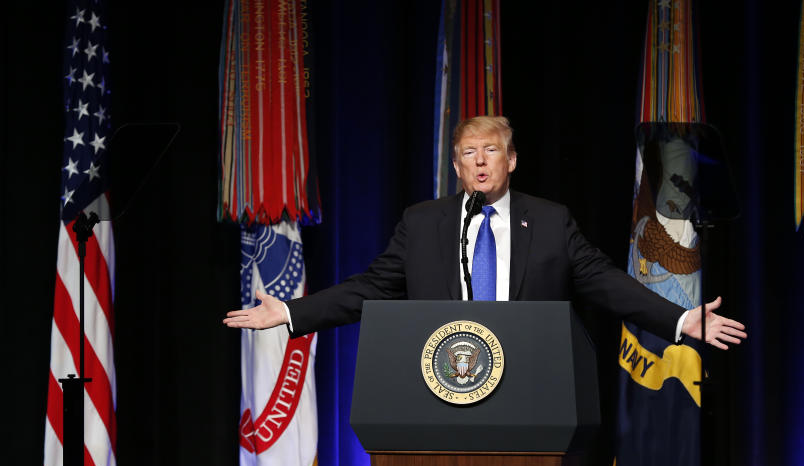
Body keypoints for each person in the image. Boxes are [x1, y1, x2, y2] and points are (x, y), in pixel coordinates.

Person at [224, 115, 746, 349]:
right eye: (468, 153)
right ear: (456, 166)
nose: (479, 162)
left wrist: (679, 321)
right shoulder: (423, 222)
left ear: (512, 160)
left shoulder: (549, 220)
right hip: (443, 391)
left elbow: (607, 282)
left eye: (490, 150)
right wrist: (292, 311)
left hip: (531, 397)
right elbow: (370, 288)